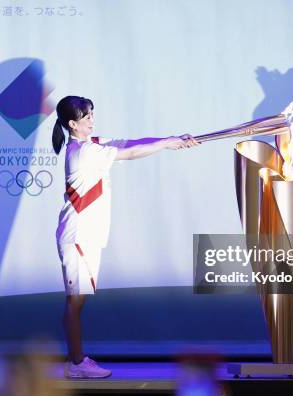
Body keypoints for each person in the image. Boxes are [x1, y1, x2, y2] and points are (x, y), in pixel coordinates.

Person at [52, 96, 198, 379]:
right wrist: (168, 144)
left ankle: (76, 361)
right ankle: (76, 363)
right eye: (87, 118)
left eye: (92, 114)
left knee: (77, 301)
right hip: (78, 235)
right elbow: (130, 154)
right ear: (72, 124)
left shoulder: (93, 143)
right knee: (75, 302)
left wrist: (172, 139)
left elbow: (131, 143)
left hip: (88, 234)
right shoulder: (82, 152)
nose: (92, 121)